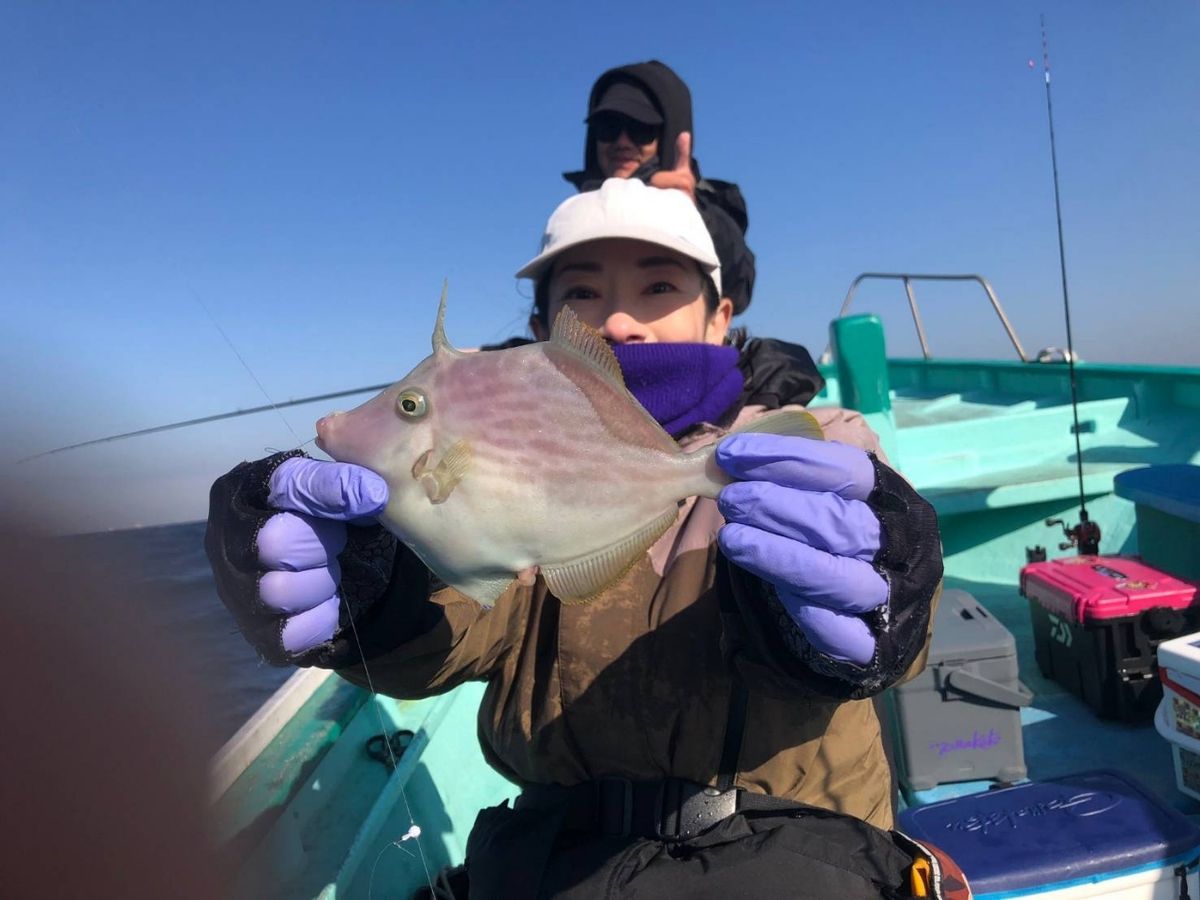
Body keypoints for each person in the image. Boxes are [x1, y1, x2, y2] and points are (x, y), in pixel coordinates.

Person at [205, 178, 952, 898]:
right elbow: (471, 605)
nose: (621, 322)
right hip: (561, 869)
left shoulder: (817, 440)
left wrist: (885, 585)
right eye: (582, 293)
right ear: (545, 330)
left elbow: (885, 610)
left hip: (802, 857)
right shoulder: (506, 436)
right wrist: (376, 589)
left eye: (658, 287)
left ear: (721, 316)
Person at [564, 60, 757, 317]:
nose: (622, 142)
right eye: (608, 128)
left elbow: (739, 282)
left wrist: (694, 216)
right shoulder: (570, 217)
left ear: (668, 135)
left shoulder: (704, 210)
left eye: (640, 129)